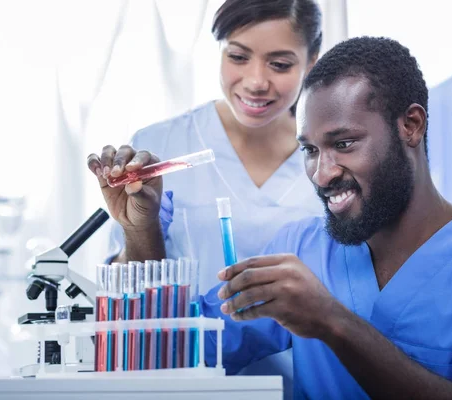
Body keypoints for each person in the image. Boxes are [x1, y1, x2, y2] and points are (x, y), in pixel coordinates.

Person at [198, 37, 452, 399]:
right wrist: (143, 228)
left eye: (343, 144)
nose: (322, 174)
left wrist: (333, 322)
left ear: (411, 125)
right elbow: (186, 345)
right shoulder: (300, 250)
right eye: (310, 150)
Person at [86, 0, 323, 397]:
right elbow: (131, 298)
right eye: (238, 56)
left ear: (311, 61)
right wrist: (139, 229)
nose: (255, 81)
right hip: (179, 385)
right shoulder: (160, 145)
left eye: (280, 64)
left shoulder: (329, 159)